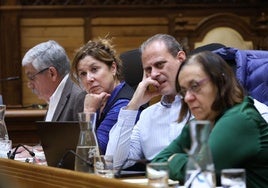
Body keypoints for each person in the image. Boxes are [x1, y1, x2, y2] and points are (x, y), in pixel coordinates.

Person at [152, 51, 268, 187]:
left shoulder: (240, 119)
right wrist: (191, 161)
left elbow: (199, 173)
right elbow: (157, 163)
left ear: (220, 82)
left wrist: (174, 160)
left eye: (195, 86)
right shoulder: (199, 124)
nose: (188, 97)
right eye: (184, 91)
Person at [106, 34, 188, 169]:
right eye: (148, 69)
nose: (154, 74)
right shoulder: (147, 116)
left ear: (180, 58)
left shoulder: (201, 106)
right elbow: (114, 163)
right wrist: (133, 105)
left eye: (160, 64)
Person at [71, 37, 136, 154]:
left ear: (113, 68)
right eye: (83, 74)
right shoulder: (96, 99)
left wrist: (89, 111)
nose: (89, 79)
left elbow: (92, 153)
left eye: (94, 69)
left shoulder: (124, 104)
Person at [22, 40, 85, 121]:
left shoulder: (79, 97)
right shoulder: (55, 95)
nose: (29, 85)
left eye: (31, 77)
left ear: (52, 73)